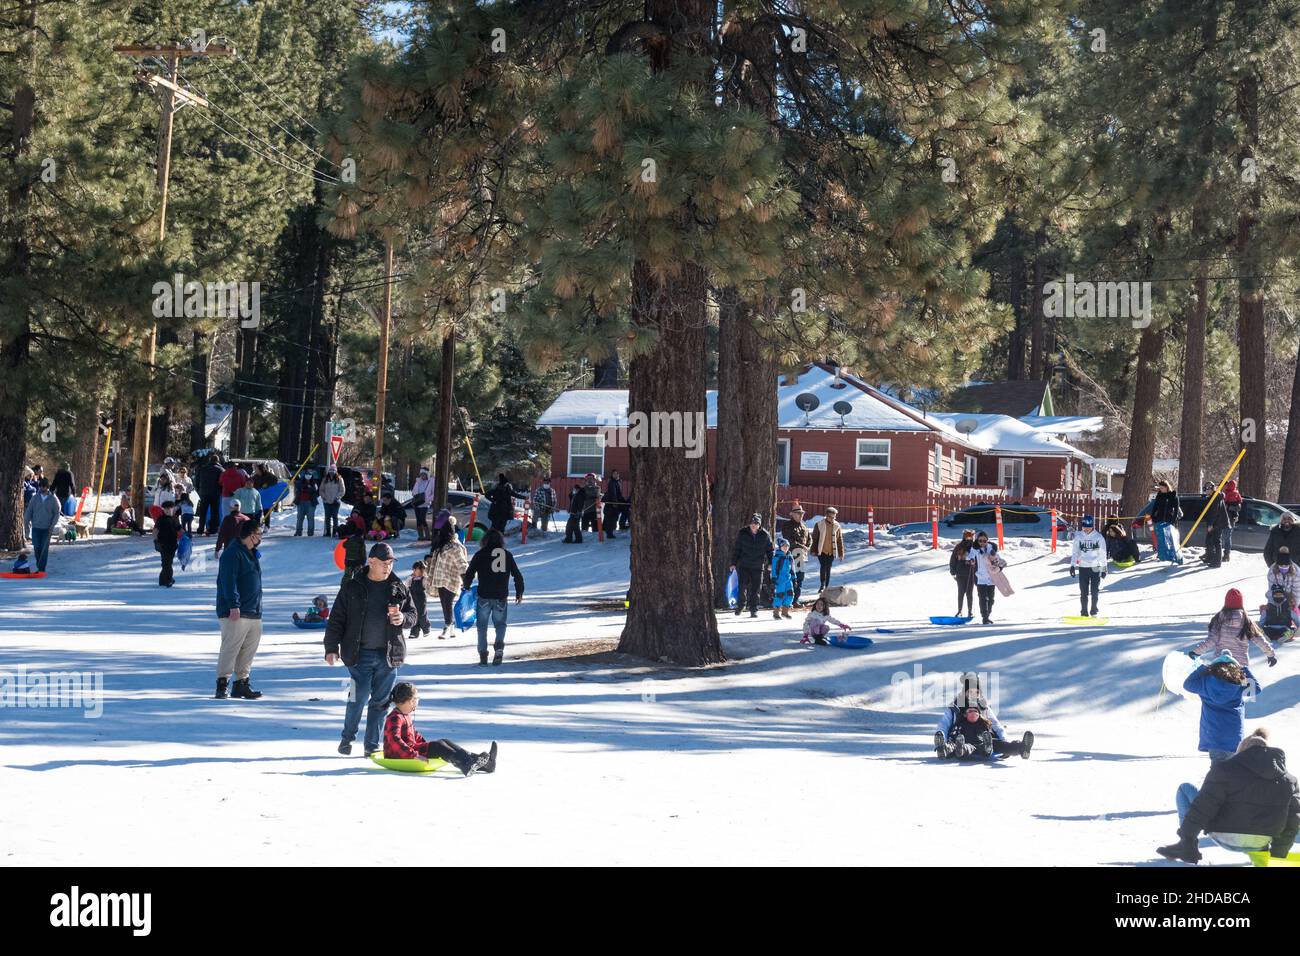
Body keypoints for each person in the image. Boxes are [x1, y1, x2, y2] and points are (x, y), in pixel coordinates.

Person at [323, 541, 416, 755]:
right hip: (358, 655)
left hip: (389, 655)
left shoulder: (398, 587)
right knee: (358, 696)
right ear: (371, 562)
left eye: (391, 562)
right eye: (384, 562)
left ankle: (371, 746)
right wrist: (331, 647)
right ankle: (347, 738)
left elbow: (414, 615)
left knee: (381, 703)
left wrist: (403, 618)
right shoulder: (353, 586)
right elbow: (337, 618)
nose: (388, 567)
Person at [1158, 727, 1299, 864]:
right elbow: (1293, 820)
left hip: (1224, 836)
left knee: (1185, 789)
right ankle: (1261, 858)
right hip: (1261, 840)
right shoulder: (1289, 781)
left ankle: (1186, 845)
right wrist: (1277, 857)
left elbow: (1203, 806)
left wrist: (1188, 836)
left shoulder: (1223, 770)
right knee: (1263, 818)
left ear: (1241, 751)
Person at [382, 682, 497, 775]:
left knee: (443, 742)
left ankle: (486, 764)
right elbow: (394, 741)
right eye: (416, 699)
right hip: (398, 755)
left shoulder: (404, 715)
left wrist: (426, 745)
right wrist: (414, 754)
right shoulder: (395, 718)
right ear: (408, 701)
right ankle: (465, 764)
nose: (417, 703)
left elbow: (413, 734)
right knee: (438, 746)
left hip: (408, 751)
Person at [215, 520, 264, 700]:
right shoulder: (232, 553)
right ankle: (222, 683)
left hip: (253, 609)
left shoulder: (250, 552)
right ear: (251, 535)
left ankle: (241, 684)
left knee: (248, 649)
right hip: (236, 610)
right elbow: (228, 581)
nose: (260, 538)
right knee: (231, 648)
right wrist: (233, 604)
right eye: (259, 534)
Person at [1183, 651, 1261, 763]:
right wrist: (1243, 668)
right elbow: (1256, 689)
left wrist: (1203, 668)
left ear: (1214, 667)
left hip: (1212, 734)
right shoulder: (1239, 684)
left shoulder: (1205, 683)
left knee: (1217, 772)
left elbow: (1187, 684)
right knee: (1232, 769)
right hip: (1234, 734)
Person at [461, 528, 525, 666]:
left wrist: (466, 587)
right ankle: (499, 648)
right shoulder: (507, 555)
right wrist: (519, 592)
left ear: (485, 540)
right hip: (501, 596)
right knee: (500, 624)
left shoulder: (480, 554)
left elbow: (470, 573)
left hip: (484, 596)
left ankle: (483, 654)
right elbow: (517, 575)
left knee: (482, 627)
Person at [934, 687, 1035, 761]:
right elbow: (944, 724)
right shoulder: (955, 708)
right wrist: (942, 736)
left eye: (976, 692)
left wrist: (1004, 740)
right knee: (959, 745)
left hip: (985, 741)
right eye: (970, 691)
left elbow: (995, 725)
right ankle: (943, 749)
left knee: (1002, 745)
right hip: (962, 740)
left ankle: (1022, 748)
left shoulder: (983, 707)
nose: (973, 694)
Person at [1190, 588, 1278, 668]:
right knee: (1242, 684)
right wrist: (1270, 654)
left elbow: (1211, 640)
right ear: (1241, 603)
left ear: (1226, 602)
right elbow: (1259, 639)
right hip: (1240, 665)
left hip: (1221, 663)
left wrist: (1196, 652)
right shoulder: (1246, 621)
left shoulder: (1218, 620)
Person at [425, 516, 469, 639]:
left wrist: (466, 579)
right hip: (439, 579)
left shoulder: (455, 547)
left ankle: (447, 626)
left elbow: (462, 563)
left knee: (447, 603)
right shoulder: (441, 546)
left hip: (451, 579)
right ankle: (451, 626)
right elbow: (434, 561)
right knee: (444, 604)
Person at [730, 513, 774, 618]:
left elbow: (770, 551)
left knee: (756, 589)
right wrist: (733, 563)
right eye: (752, 523)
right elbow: (737, 549)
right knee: (742, 587)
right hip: (744, 565)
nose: (753, 525)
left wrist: (771, 563)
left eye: (756, 523)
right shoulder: (742, 533)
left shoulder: (765, 535)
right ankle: (741, 606)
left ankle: (753, 609)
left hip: (758, 566)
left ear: (759, 525)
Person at [1070, 514, 1107, 617]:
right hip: (1083, 567)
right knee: (1083, 592)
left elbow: (1103, 553)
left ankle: (1094, 610)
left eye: (1088, 527)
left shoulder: (1098, 537)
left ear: (1092, 526)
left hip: (1095, 567)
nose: (1086, 529)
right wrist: (1072, 565)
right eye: (1084, 527)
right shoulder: (1079, 536)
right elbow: (1075, 552)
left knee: (1095, 591)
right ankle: (1084, 612)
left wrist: (1104, 568)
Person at [23, 479, 60, 574]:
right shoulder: (35, 498)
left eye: (45, 486)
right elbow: (29, 511)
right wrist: (26, 522)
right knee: (37, 548)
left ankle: (41, 569)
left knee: (44, 549)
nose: (43, 488)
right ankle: (39, 565)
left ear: (48, 487)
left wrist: (52, 525)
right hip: (36, 527)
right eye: (41, 486)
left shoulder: (53, 499)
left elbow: (57, 512)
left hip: (47, 528)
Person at [972, 530, 1005, 624]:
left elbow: (999, 561)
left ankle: (987, 614)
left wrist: (999, 567)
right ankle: (985, 617)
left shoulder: (991, 550)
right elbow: (968, 558)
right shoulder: (974, 550)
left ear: (987, 541)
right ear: (977, 541)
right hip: (980, 578)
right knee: (983, 598)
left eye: (984, 540)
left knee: (991, 599)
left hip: (992, 578)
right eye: (980, 540)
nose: (982, 542)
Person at [810, 506, 845, 593]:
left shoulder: (837, 526)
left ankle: (826, 586)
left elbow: (839, 540)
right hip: (821, 550)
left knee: (828, 568)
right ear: (826, 516)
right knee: (823, 566)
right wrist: (813, 550)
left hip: (831, 551)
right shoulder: (819, 524)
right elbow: (814, 538)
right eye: (830, 517)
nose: (832, 519)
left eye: (834, 517)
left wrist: (841, 553)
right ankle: (822, 584)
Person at [783, 504, 813, 605]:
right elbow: (788, 540)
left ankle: (795, 600)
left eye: (801, 513)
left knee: (800, 579)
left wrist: (808, 546)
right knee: (791, 579)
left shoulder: (804, 526)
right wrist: (802, 546)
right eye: (798, 513)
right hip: (792, 556)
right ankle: (788, 600)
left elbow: (809, 539)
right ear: (792, 514)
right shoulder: (787, 526)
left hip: (802, 557)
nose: (800, 515)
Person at [1151, 479, 1183, 564]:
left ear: (1166, 487)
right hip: (1159, 519)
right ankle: (1162, 556)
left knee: (1171, 539)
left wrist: (1173, 520)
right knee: (1161, 539)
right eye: (1160, 488)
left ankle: (1176, 557)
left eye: (1162, 487)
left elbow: (1176, 510)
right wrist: (1153, 515)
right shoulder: (1159, 495)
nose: (1160, 489)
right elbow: (1155, 507)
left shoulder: (1173, 496)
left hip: (1169, 520)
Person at [1201, 482, 1231, 569]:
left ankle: (1217, 562)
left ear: (1210, 489)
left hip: (1217, 523)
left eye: (1206, 489)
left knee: (1216, 542)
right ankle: (1209, 557)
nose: (1205, 492)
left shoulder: (1215, 498)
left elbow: (1214, 512)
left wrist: (1211, 524)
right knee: (1209, 540)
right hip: (1214, 522)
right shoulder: (1212, 497)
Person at [563, 474, 599, 544]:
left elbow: (595, 495)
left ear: (594, 479)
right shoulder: (582, 490)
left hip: (593, 511)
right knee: (582, 528)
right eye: (588, 479)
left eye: (591, 478)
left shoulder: (596, 488)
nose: (589, 480)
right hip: (584, 512)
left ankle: (576, 539)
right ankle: (573, 538)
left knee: (595, 529)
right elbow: (572, 498)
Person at [949, 530, 977, 618]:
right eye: (967, 537)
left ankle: (970, 611)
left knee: (969, 593)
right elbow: (953, 559)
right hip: (960, 573)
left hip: (971, 573)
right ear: (964, 537)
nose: (968, 538)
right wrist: (953, 571)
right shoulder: (959, 546)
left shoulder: (974, 547)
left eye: (970, 537)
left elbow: (978, 559)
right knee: (961, 592)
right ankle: (959, 610)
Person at [153, 500, 181, 588]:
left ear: (173, 509)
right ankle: (168, 580)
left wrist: (186, 536)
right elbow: (155, 530)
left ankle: (162, 580)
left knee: (168, 562)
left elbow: (179, 529)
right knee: (166, 563)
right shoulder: (161, 519)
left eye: (169, 509)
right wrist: (156, 541)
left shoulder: (175, 519)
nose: (167, 511)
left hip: (172, 545)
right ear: (163, 510)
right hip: (163, 544)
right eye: (165, 509)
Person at [196, 455, 224, 535]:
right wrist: (221, 491)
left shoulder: (202, 469)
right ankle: (213, 529)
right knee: (214, 512)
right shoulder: (221, 470)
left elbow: (197, 480)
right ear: (218, 461)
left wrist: (199, 490)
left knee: (203, 511)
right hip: (215, 493)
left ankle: (201, 528)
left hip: (204, 492)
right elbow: (222, 482)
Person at [770, 539, 795, 619]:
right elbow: (774, 569)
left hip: (788, 579)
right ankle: (776, 613)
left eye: (787, 546)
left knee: (790, 594)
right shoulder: (777, 557)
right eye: (784, 546)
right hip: (779, 580)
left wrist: (794, 578)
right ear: (780, 547)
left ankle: (785, 612)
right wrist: (773, 578)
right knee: (779, 595)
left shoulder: (790, 557)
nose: (786, 547)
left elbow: (792, 569)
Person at [406, 560, 431, 639]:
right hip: (413, 599)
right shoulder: (411, 578)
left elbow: (428, 587)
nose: (414, 571)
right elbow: (406, 585)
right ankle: (414, 632)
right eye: (413, 569)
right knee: (414, 614)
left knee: (422, 614)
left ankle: (426, 628)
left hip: (421, 599)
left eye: (416, 570)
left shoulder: (424, 579)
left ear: (421, 570)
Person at [319, 467, 345, 537]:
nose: (331, 472)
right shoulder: (325, 479)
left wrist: (337, 497)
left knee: (335, 517)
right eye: (330, 470)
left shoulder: (339, 479)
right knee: (327, 517)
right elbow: (321, 490)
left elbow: (342, 490)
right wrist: (324, 497)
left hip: (335, 501)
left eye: (333, 470)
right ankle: (328, 532)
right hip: (326, 501)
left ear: (336, 471)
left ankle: (335, 532)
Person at [293, 471, 319, 536]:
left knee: (310, 518)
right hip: (301, 502)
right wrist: (307, 487)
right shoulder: (300, 482)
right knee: (299, 518)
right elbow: (297, 485)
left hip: (310, 503)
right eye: (307, 474)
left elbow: (314, 490)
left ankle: (310, 533)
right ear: (304, 475)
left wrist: (305, 488)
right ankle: (298, 532)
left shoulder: (314, 483)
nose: (308, 476)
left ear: (312, 476)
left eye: (309, 475)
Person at [252, 464, 277, 529]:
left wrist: (267, 484)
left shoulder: (268, 475)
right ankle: (257, 525)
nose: (256, 470)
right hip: (258, 495)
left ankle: (267, 525)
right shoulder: (255, 476)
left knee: (266, 510)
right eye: (255, 469)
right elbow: (252, 483)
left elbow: (275, 480)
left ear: (261, 470)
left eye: (257, 469)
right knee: (257, 511)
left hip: (266, 496)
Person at [411, 466, 433, 540]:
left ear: (427, 474)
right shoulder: (418, 481)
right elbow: (413, 491)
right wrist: (415, 494)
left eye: (424, 474)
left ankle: (427, 535)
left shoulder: (431, 481)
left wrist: (428, 499)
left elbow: (434, 493)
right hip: (418, 503)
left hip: (425, 503)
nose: (422, 476)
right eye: (421, 475)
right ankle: (421, 536)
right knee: (418, 520)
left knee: (422, 518)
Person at [603, 471, 626, 538]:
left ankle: (610, 531)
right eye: (615, 474)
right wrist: (615, 503)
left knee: (613, 518)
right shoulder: (612, 482)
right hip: (611, 503)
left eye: (617, 473)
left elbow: (619, 494)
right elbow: (613, 493)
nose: (616, 475)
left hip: (615, 502)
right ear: (612, 475)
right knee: (611, 518)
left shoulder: (617, 482)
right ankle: (609, 533)